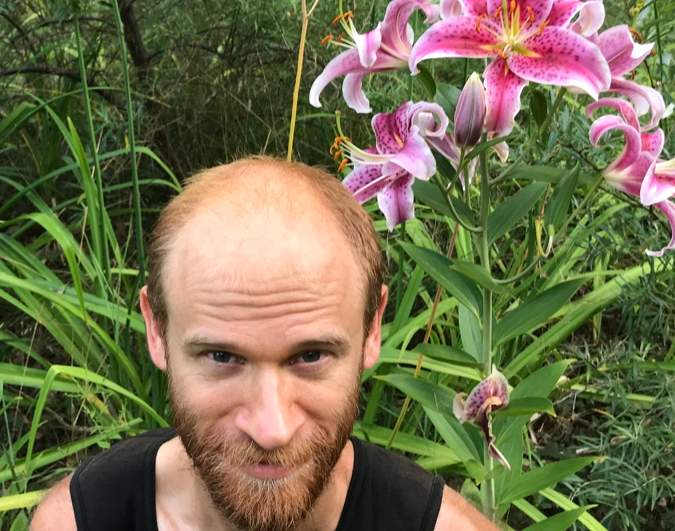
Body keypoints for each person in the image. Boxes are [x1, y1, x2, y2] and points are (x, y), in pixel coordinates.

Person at [31, 156, 499, 531]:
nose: (270, 429)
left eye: (310, 356)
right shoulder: (77, 521)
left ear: (372, 329)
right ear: (157, 330)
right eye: (221, 356)